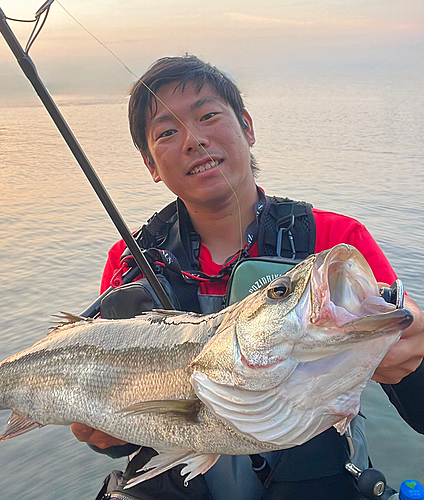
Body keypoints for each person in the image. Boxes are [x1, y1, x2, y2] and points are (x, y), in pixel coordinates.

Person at [72, 55, 424, 499]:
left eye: (208, 116)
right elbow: (126, 430)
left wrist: (414, 364)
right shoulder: (128, 263)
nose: (193, 140)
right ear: (151, 166)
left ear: (247, 126)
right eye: (167, 132)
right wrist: (106, 429)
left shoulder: (333, 245)